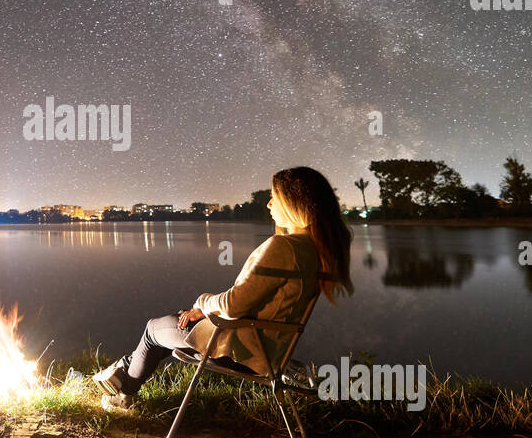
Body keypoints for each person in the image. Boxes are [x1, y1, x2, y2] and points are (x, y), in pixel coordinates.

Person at [92, 166, 353, 411]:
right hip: (270, 351)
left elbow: (233, 305)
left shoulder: (284, 247)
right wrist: (203, 313)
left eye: (274, 198)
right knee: (173, 326)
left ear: (294, 203)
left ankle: (123, 391)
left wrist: (201, 303)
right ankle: (122, 376)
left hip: (243, 352)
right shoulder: (316, 250)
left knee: (153, 330)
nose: (269, 204)